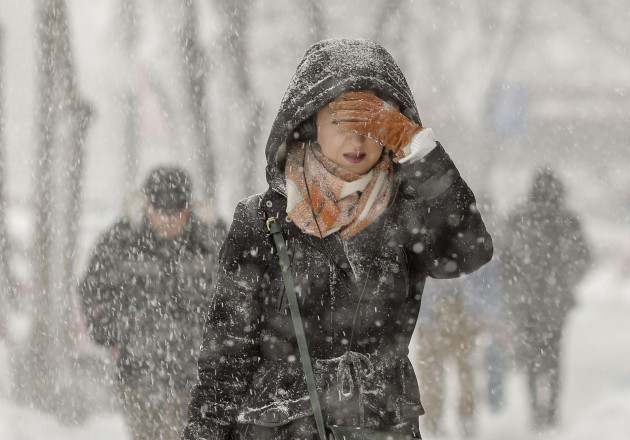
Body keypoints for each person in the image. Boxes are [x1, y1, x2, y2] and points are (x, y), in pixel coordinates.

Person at [180, 38, 493, 440]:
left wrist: (419, 150)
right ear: (309, 125)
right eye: (342, 123)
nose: (358, 141)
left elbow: (470, 250)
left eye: (374, 125)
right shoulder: (261, 219)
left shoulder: (407, 212)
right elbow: (226, 358)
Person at [79, 166, 227, 440]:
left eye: (176, 213)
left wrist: (222, 346)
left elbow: (241, 293)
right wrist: (112, 336)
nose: (168, 221)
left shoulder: (213, 241)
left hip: (197, 378)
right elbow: (93, 289)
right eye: (161, 212)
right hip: (138, 375)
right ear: (148, 206)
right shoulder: (121, 240)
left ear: (189, 208)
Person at [503, 167, 591, 430]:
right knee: (553, 353)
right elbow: (584, 256)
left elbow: (504, 257)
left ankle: (535, 410)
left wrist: (514, 285)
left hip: (526, 298)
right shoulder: (567, 220)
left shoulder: (519, 218)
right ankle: (551, 409)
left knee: (531, 353)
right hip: (555, 298)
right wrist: (567, 280)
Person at [416, 277, 480, 438]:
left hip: (461, 312)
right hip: (434, 313)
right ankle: (434, 422)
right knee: (432, 374)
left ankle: (464, 420)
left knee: (464, 374)